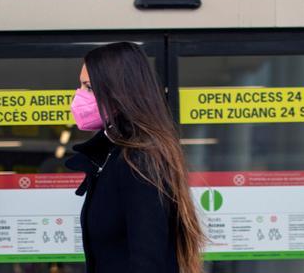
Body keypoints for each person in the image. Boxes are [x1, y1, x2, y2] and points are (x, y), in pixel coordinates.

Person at [65, 42, 204, 273]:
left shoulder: (138, 159)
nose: (79, 96)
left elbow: (147, 259)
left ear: (120, 92)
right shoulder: (114, 154)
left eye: (88, 87)